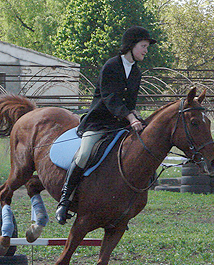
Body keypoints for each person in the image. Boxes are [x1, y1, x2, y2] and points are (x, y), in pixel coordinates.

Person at [55, 26, 157, 224]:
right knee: (84, 154)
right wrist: (130, 117)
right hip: (99, 122)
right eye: (143, 46)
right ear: (131, 46)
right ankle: (64, 201)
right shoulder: (111, 66)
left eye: (146, 47)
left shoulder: (136, 73)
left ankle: (120, 208)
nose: (146, 50)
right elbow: (110, 98)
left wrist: (136, 116)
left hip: (121, 123)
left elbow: (130, 103)